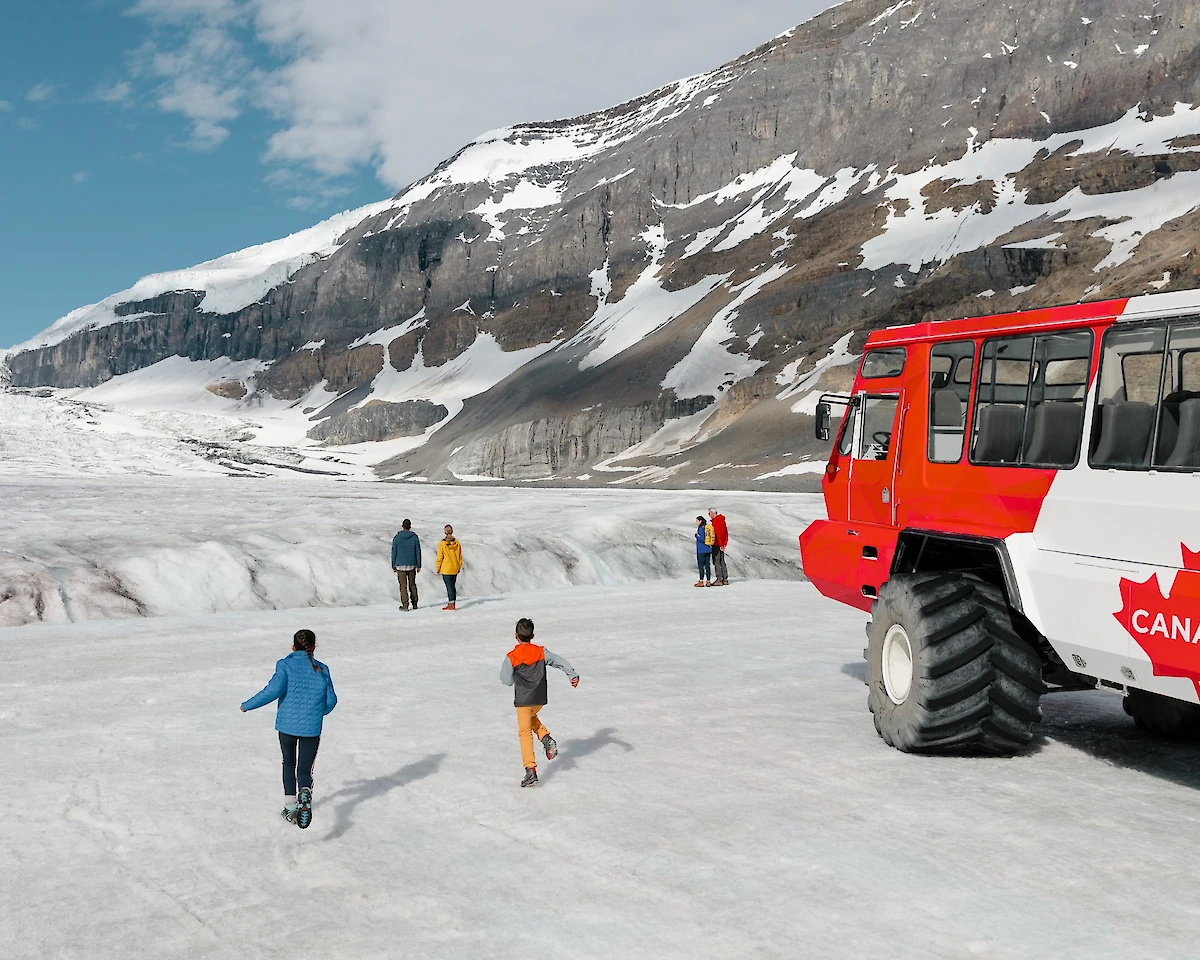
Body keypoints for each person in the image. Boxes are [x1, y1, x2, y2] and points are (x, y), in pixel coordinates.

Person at [240, 628, 338, 829]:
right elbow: (331, 701)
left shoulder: (285, 665)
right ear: (314, 648)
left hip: (286, 726)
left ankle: (291, 808)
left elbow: (273, 690)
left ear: (293, 647)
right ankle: (305, 790)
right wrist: (317, 712)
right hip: (311, 729)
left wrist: (247, 705)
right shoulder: (322, 669)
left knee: (288, 763)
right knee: (304, 769)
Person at [500, 617, 579, 787]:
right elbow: (559, 661)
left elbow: (506, 680)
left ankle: (530, 770)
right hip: (539, 699)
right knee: (530, 718)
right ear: (532, 636)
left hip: (523, 700)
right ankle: (545, 738)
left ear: (516, 636)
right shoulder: (541, 652)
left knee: (525, 732)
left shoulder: (512, 657)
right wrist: (572, 674)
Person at [391, 519, 422, 611]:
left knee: (403, 586)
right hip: (412, 564)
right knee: (412, 584)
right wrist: (419, 564)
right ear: (410, 526)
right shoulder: (414, 537)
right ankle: (415, 603)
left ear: (402, 526)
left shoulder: (397, 537)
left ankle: (405, 605)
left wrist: (393, 565)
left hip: (400, 565)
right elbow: (418, 552)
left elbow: (394, 552)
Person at [436, 524, 463, 611]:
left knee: (449, 586)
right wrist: (459, 565)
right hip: (455, 567)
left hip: (446, 568)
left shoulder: (442, 543)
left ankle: (451, 603)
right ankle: (452, 602)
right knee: (453, 585)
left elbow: (440, 557)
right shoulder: (457, 543)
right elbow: (459, 556)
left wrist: (438, 567)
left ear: (444, 532)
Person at [708, 507, 730, 586]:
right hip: (721, 544)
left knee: (717, 561)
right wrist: (724, 544)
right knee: (722, 561)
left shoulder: (716, 521)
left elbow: (718, 533)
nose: (709, 515)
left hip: (717, 544)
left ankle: (719, 579)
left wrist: (720, 544)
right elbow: (726, 533)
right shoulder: (722, 520)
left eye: (709, 513)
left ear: (712, 513)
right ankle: (725, 579)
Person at [695, 515, 714, 587]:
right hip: (708, 549)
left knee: (701, 566)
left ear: (700, 521)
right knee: (707, 566)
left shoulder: (700, 528)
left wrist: (696, 536)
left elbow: (702, 539)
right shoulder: (707, 528)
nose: (696, 522)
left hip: (701, 550)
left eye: (697, 521)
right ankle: (708, 581)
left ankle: (701, 581)